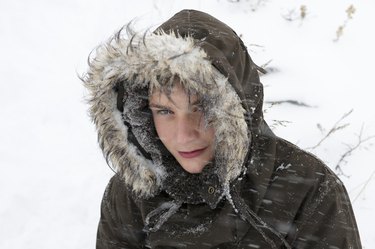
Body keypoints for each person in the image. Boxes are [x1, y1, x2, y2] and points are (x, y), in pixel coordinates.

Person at [83, 9, 362, 249]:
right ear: (141, 115)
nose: (184, 134)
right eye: (165, 111)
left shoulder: (311, 190)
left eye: (201, 108)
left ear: (237, 109)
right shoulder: (131, 194)